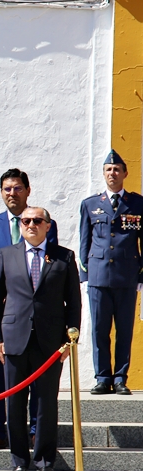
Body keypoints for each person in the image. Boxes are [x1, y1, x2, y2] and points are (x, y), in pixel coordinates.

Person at [0, 207, 81, 471]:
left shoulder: (64, 257)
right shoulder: (7, 255)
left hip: (50, 343)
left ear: (47, 226)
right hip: (14, 340)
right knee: (15, 403)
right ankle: (19, 461)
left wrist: (69, 341)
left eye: (36, 221)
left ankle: (44, 461)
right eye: (25, 221)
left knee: (46, 404)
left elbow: (73, 301)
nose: (30, 224)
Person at [0, 169, 58, 450]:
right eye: (7, 189)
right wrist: (9, 290)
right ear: (1, 193)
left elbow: (51, 263)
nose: (12, 193)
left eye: (17, 188)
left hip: (35, 316)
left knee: (37, 375)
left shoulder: (44, 222)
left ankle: (36, 429)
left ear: (28, 190)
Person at [79, 150, 143, 395]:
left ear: (125, 173)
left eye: (117, 169)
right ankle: (102, 377)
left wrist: (141, 275)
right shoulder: (90, 204)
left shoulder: (137, 203)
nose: (112, 173)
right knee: (99, 329)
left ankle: (120, 378)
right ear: (104, 174)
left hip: (127, 275)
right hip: (98, 275)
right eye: (108, 169)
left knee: (124, 329)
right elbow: (84, 242)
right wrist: (85, 274)